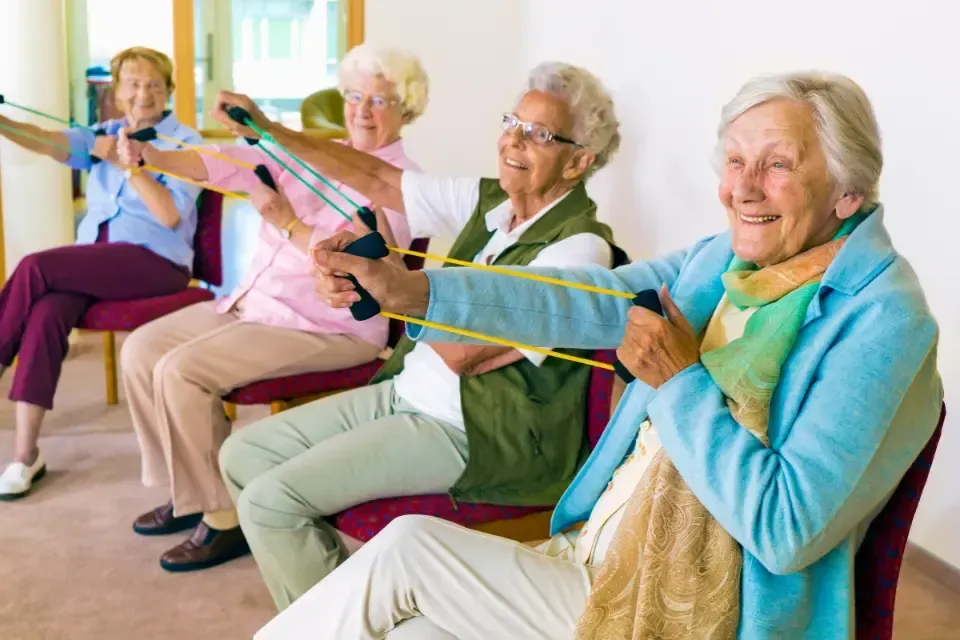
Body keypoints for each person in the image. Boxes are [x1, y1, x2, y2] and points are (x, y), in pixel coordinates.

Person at [260, 71, 944, 639]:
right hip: (607, 554)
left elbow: (785, 530)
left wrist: (679, 380)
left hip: (700, 610)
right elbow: (586, 298)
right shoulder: (725, 259)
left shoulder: (884, 319)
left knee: (408, 551)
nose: (743, 187)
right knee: (407, 628)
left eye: (778, 164)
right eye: (736, 161)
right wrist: (411, 292)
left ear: (848, 191)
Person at [212, 61, 627, 609]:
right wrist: (270, 130)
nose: (513, 140)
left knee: (271, 503)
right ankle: (343, 607)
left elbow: (464, 355)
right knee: (242, 454)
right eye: (512, 122)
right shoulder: (492, 205)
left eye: (539, 134)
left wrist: (387, 284)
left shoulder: (580, 250)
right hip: (407, 392)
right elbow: (378, 179)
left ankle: (333, 620)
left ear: (578, 162)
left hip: (474, 429)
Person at [112, 44, 427, 572]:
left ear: (406, 109)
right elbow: (226, 165)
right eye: (354, 96)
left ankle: (221, 517)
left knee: (181, 371)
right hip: (256, 302)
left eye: (380, 100)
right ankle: (189, 490)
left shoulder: (402, 182)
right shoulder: (317, 149)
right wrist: (153, 158)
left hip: (325, 326)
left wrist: (285, 222)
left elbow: (360, 267)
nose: (363, 110)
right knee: (142, 349)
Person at [0, 47, 203, 500]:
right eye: (132, 83)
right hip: (100, 263)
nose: (143, 93)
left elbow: (170, 215)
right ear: (116, 91)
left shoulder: (184, 143)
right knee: (48, 310)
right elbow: (44, 140)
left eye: (154, 83)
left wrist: (130, 167)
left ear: (169, 90)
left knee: (36, 266)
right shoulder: (102, 134)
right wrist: (3, 122)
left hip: (156, 262)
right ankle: (25, 454)